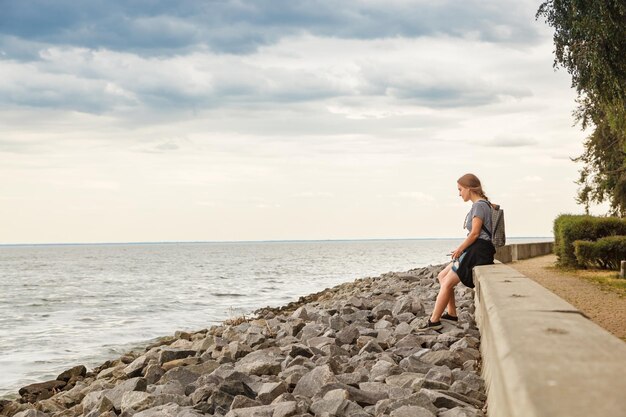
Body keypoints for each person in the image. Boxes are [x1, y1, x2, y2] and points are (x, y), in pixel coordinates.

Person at [418, 173, 496, 331]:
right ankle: (452, 313)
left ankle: (434, 321)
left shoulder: (479, 205)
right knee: (442, 276)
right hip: (476, 247)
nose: (459, 193)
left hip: (478, 250)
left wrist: (460, 249)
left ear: (468, 189)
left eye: (460, 189)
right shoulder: (483, 204)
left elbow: (475, 233)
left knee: (447, 283)